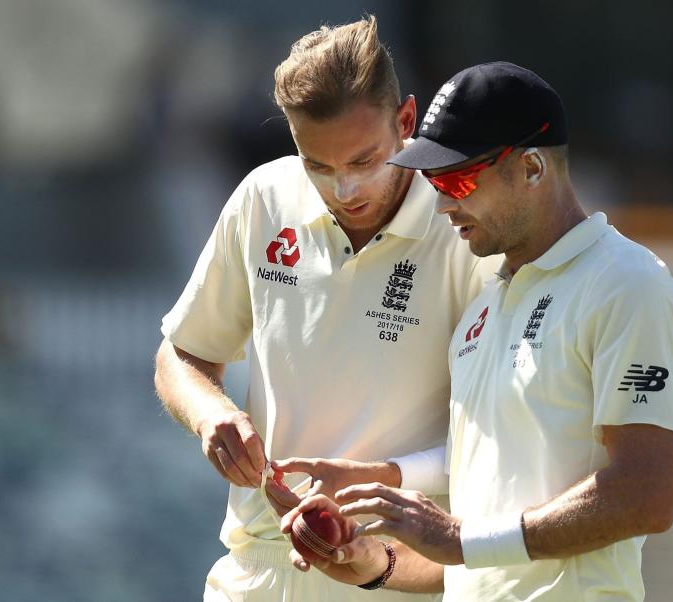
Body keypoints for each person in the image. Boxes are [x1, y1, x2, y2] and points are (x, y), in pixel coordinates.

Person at [279, 61, 673, 601]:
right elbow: (475, 550)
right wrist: (372, 562)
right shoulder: (483, 309)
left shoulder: (627, 283)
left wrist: (456, 536)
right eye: (434, 183)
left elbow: (647, 493)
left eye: (459, 179)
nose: (444, 203)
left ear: (534, 168)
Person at [154, 17, 494, 601]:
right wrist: (212, 416)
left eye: (364, 162)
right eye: (319, 166)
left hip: (401, 570)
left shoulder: (466, 230)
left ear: (407, 122)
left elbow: (497, 438)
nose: (345, 191)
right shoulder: (263, 196)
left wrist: (383, 485)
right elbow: (182, 355)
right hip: (258, 567)